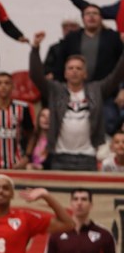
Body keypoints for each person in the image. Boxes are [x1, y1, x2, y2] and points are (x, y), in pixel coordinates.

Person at [30, 31, 124, 170]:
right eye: (71, 68)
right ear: (65, 73)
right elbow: (36, 76)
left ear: (85, 73)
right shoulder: (56, 90)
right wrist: (35, 49)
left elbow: (117, 75)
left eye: (79, 68)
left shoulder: (96, 89)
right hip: (60, 155)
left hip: (88, 156)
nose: (74, 71)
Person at [52, 4, 124, 134]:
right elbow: (59, 65)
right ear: (83, 19)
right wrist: (59, 89)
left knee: (109, 123)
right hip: (73, 93)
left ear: (101, 18)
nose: (91, 16)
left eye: (95, 13)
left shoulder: (113, 38)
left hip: (105, 93)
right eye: (88, 13)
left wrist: (123, 89)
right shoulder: (72, 38)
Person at [41, 188, 120, 253]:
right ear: (71, 204)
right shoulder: (56, 234)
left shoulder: (105, 235)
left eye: (84, 199)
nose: (79, 203)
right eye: (75, 199)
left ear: (91, 205)